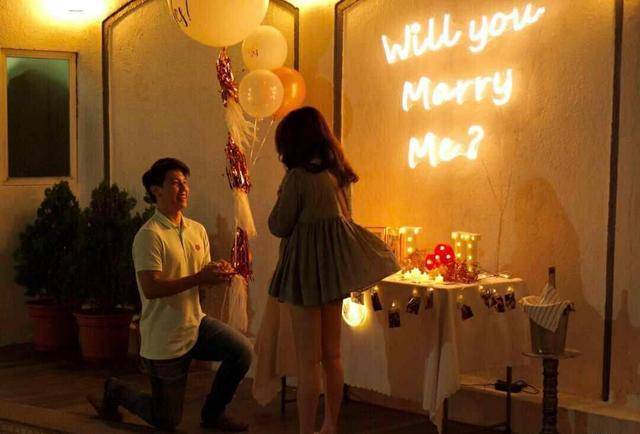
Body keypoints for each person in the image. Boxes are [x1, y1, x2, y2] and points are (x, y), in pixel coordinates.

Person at [87, 158, 252, 432]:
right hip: (164, 337)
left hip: (195, 324)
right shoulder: (149, 236)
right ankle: (115, 390)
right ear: (156, 190)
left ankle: (214, 413)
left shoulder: (196, 230)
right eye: (175, 182)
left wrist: (218, 272)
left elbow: (200, 277)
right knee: (166, 420)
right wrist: (199, 278)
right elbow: (152, 288)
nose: (184, 188)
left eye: (185, 182)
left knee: (242, 351)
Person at [267, 107, 399, 434]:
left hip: (305, 275)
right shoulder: (336, 176)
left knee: (308, 361)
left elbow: (278, 225)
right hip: (332, 274)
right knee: (332, 356)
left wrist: (281, 195)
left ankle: (305, 430)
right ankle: (330, 425)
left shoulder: (298, 178)